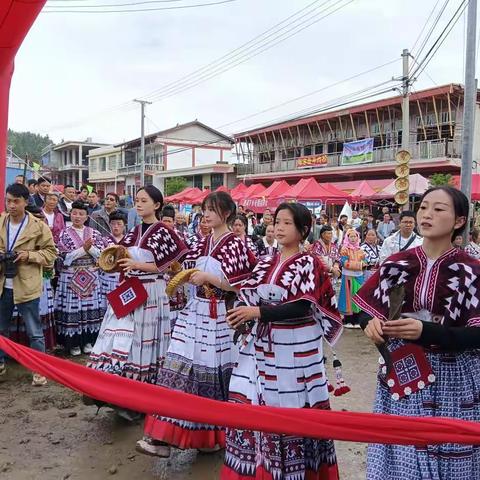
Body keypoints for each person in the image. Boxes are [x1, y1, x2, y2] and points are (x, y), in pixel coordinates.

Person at [355, 186, 480, 480]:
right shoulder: (397, 263)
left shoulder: (472, 271)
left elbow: (477, 335)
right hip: (402, 370)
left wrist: (427, 331)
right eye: (424, 207)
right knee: (402, 453)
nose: (427, 215)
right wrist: (368, 324)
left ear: (459, 220)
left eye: (439, 209)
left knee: (450, 457)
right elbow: (365, 309)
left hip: (453, 379)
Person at [222, 202, 342, 480]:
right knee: (254, 402)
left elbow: (302, 307)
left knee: (291, 407)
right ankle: (260, 468)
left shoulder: (309, 263)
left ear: (303, 230)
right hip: (262, 345)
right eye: (277, 222)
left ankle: (294, 472)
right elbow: (249, 294)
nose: (280, 227)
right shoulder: (265, 260)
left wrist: (257, 312)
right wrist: (245, 316)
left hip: (297, 349)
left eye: (288, 223)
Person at [138, 191, 255, 457]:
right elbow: (182, 264)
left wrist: (209, 278)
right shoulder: (202, 242)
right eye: (204, 209)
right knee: (176, 365)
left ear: (226, 213)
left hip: (220, 318)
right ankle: (162, 437)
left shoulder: (235, 245)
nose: (206, 214)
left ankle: (215, 436)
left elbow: (242, 283)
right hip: (195, 312)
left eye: (212, 209)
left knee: (213, 374)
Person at [88, 186, 188, 385]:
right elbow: (122, 255)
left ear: (157, 205)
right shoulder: (134, 231)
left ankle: (143, 386)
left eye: (144, 201)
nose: (139, 204)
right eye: (137, 200)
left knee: (144, 338)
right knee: (121, 335)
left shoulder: (164, 232)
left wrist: (136, 264)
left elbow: (169, 267)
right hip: (130, 289)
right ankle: (116, 384)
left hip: (151, 291)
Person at [0, 184, 57, 386]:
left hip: (27, 284)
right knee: (1, 329)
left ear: (26, 201)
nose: (11, 205)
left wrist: (28, 255)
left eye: (16, 201)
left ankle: (38, 369)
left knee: (34, 331)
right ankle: (0, 365)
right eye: (8, 200)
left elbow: (51, 253)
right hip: (2, 285)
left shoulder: (38, 226)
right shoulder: (0, 221)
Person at [54, 201, 107, 356]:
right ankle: (73, 343)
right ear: (71, 214)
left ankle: (89, 340)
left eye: (81, 214)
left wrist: (90, 249)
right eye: (74, 213)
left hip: (91, 275)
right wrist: (84, 249)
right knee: (73, 308)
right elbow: (64, 257)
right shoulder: (64, 233)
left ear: (86, 216)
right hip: (71, 275)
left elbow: (102, 255)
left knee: (90, 308)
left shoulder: (95, 233)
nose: (77, 216)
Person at [10, 205, 57, 353]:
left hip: (41, 278)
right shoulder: (19, 231)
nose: (39, 220)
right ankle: (17, 349)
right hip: (20, 280)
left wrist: (46, 267)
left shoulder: (45, 232)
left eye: (41, 218)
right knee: (18, 316)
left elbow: (51, 256)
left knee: (37, 317)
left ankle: (39, 354)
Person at [338, 229, 365, 328]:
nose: (353, 238)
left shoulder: (360, 250)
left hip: (359, 277)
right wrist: (359, 265)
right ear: (347, 238)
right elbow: (344, 263)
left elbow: (365, 262)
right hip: (348, 277)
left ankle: (357, 320)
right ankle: (348, 320)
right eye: (351, 236)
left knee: (358, 297)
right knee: (348, 298)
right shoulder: (344, 250)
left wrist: (363, 264)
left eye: (355, 236)